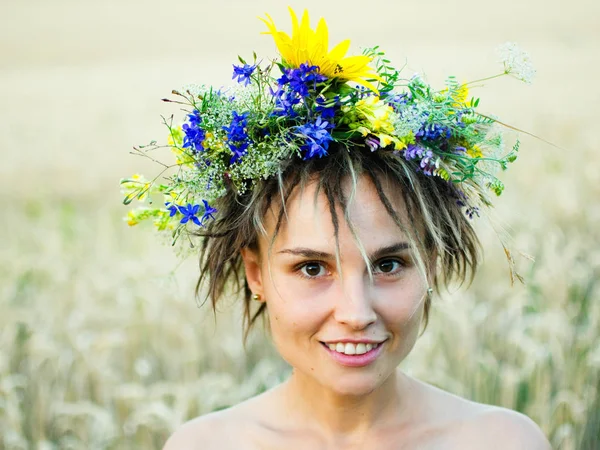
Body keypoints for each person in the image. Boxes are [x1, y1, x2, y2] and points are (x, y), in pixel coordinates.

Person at [122, 8, 551, 449]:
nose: (356, 313)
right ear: (255, 274)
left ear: (432, 264)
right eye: (311, 268)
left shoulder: (506, 441)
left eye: (389, 263)